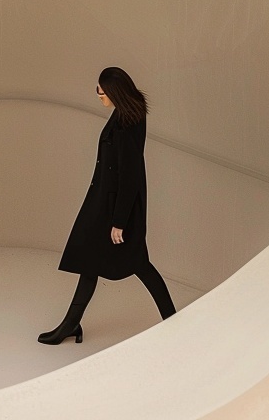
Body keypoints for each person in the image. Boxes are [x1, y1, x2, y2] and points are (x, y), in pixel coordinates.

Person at [38, 66, 176, 344]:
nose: (98, 96)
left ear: (114, 92)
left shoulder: (128, 123)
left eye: (101, 92)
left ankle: (174, 322)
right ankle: (70, 325)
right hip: (104, 201)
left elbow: (130, 176)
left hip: (115, 207)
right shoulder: (126, 114)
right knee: (90, 261)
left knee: (140, 264)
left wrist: (119, 221)